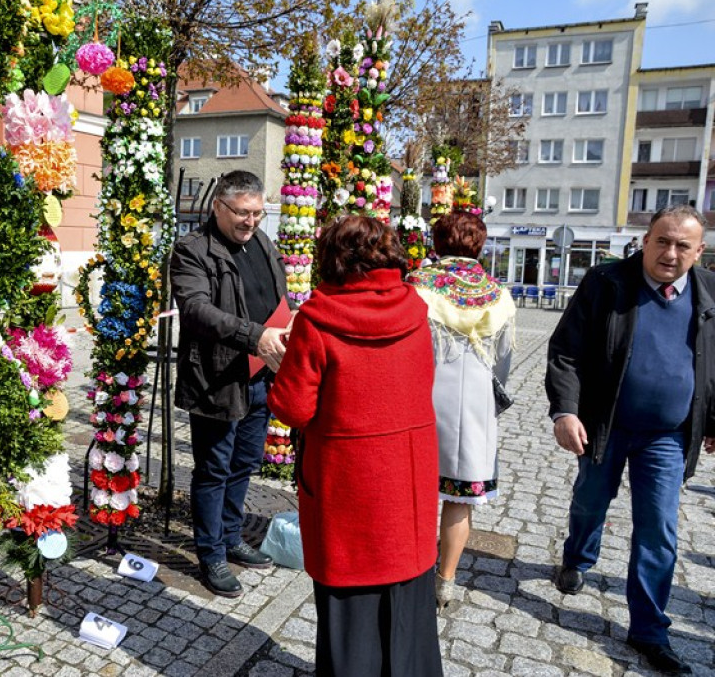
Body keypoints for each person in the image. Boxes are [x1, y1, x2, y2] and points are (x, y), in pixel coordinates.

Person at [268, 216, 443, 677]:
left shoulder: (318, 321)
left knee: (349, 616)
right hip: (406, 486)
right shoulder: (417, 311)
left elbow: (293, 408)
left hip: (347, 486)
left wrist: (281, 364)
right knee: (410, 609)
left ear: (332, 259)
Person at [547, 204, 715, 675]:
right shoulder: (607, 283)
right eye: (662, 240)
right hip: (605, 423)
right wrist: (565, 410)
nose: (670, 252)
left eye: (683, 245)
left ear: (699, 252)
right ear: (645, 241)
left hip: (667, 435)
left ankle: (649, 631)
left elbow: (713, 362)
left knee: (658, 529)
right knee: (590, 501)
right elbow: (565, 351)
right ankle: (577, 557)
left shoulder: (709, 294)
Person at [170, 170, 291, 598]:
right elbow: (198, 310)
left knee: (243, 464)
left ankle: (232, 535)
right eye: (242, 213)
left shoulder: (261, 240)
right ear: (219, 207)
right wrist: (253, 334)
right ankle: (211, 554)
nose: (251, 221)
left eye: (258, 212)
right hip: (216, 378)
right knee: (214, 470)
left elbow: (276, 292)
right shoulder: (192, 250)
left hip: (261, 374)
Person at [407, 211, 515, 611]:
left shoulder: (418, 286)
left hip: (420, 398)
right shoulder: (497, 294)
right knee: (460, 498)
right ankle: (445, 581)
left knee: (412, 490)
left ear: (436, 244)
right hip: (474, 407)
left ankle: (407, 570)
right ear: (480, 245)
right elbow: (503, 361)